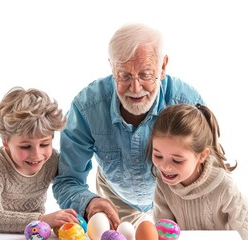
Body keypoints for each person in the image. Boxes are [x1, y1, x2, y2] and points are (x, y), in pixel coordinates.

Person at [52, 23, 205, 229]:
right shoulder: (87, 107)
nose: (135, 88)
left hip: (176, 198)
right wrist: (90, 203)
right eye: (124, 75)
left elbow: (208, 169)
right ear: (112, 68)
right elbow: (67, 180)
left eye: (145, 74)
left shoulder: (187, 102)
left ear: (163, 67)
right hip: (113, 200)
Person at [0, 87, 78, 233]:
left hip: (33, 235)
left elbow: (70, 186)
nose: (37, 155)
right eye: (25, 146)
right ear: (6, 142)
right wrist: (42, 220)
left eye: (44, 144)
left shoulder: (52, 160)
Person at [149, 103, 248, 240]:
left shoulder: (225, 188)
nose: (164, 167)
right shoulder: (163, 183)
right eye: (158, 156)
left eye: (177, 160)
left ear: (202, 156)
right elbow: (163, 232)